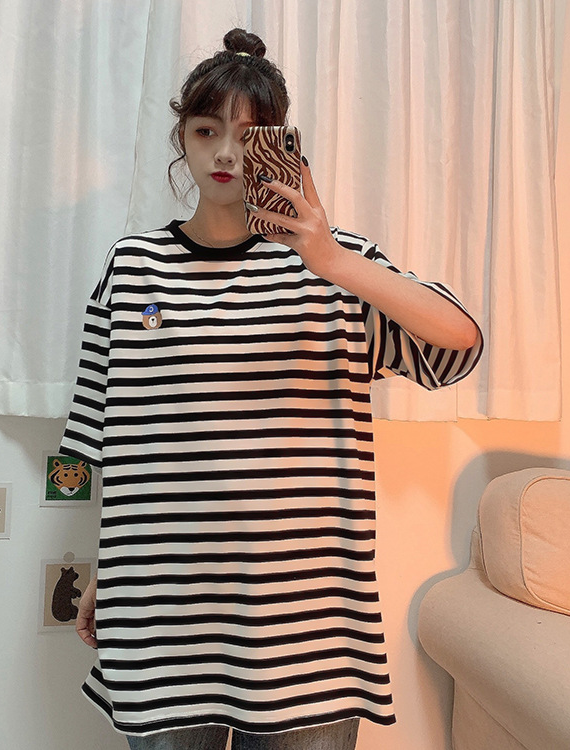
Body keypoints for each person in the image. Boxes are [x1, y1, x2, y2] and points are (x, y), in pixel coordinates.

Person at [60, 28, 482, 750]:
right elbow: (111, 437)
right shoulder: (132, 267)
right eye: (207, 129)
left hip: (307, 628)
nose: (226, 153)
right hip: (161, 613)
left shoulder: (334, 271)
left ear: (283, 145)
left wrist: (331, 258)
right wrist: (108, 564)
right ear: (181, 137)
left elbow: (458, 344)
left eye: (250, 134)